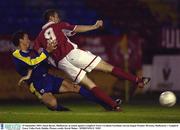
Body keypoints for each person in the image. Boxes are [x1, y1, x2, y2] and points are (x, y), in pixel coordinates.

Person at [34, 9, 150, 110]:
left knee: (89, 84)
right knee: (107, 68)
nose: (58, 19)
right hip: (72, 54)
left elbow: (41, 56)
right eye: (57, 17)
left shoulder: (38, 39)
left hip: (62, 64)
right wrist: (94, 26)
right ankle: (137, 80)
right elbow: (77, 28)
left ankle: (113, 105)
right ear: (51, 17)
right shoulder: (58, 25)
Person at [12, 31, 121, 111]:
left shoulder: (32, 51)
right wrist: (47, 52)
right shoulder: (17, 54)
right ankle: (60, 110)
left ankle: (107, 104)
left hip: (49, 78)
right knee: (53, 104)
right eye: (26, 38)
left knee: (76, 87)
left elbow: (35, 64)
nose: (29, 39)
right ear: (21, 40)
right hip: (37, 84)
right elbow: (31, 63)